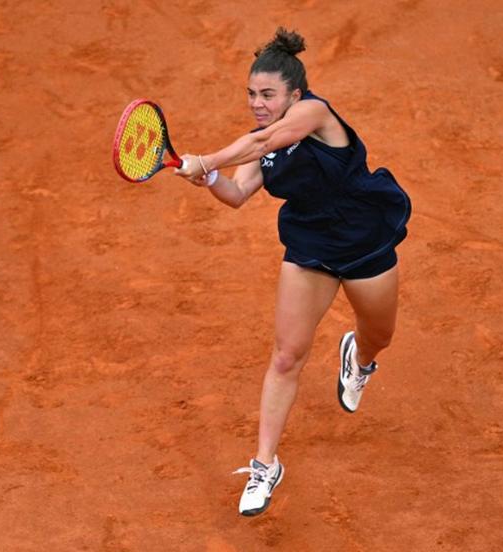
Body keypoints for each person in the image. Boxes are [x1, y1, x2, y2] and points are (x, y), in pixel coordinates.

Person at [174, 27, 411, 517]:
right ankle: (265, 465)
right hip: (311, 247)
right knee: (286, 356)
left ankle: (360, 360)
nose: (257, 103)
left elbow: (270, 137)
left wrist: (208, 157)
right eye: (251, 94)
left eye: (267, 94)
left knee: (379, 334)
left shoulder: (313, 113)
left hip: (365, 239)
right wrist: (211, 177)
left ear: (294, 94)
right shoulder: (263, 145)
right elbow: (238, 194)